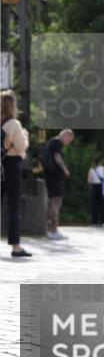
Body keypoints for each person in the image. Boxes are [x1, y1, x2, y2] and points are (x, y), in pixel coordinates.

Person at [2, 90, 30, 256]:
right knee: (13, 207)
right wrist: (25, 136)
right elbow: (20, 147)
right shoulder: (13, 124)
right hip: (11, 166)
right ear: (12, 105)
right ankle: (16, 246)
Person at [42, 129, 74, 240]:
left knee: (52, 202)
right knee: (56, 201)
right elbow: (57, 158)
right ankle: (53, 230)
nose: (68, 143)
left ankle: (49, 229)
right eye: (69, 140)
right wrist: (65, 170)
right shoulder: (56, 143)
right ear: (65, 136)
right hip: (54, 176)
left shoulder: (51, 142)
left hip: (50, 176)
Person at [87, 156, 104, 228]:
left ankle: (94, 222)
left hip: (94, 187)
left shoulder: (91, 170)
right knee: (103, 205)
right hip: (101, 187)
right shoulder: (103, 169)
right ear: (100, 162)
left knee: (94, 205)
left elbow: (89, 180)